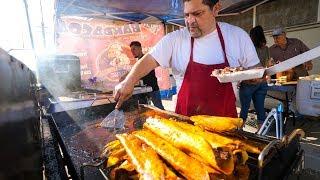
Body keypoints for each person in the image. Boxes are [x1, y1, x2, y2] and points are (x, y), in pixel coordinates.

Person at [114, 0, 261, 117]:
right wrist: (129, 80)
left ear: (216, 9)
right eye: (186, 15)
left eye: (197, 13)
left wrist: (255, 76)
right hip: (186, 127)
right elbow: (149, 59)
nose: (190, 21)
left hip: (225, 125)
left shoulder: (237, 36)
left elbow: (256, 69)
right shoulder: (176, 39)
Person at [239, 25, 269, 125]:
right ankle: (262, 132)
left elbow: (243, 66)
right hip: (262, 82)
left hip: (249, 82)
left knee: (244, 109)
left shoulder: (249, 49)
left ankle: (240, 130)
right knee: (260, 109)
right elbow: (268, 64)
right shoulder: (266, 49)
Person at [129, 41, 164, 109]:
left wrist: (127, 77)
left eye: (134, 49)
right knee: (144, 109)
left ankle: (169, 119)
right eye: (131, 50)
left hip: (152, 88)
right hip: (143, 89)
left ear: (140, 48)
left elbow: (137, 71)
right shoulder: (139, 60)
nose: (132, 52)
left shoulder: (145, 59)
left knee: (159, 107)